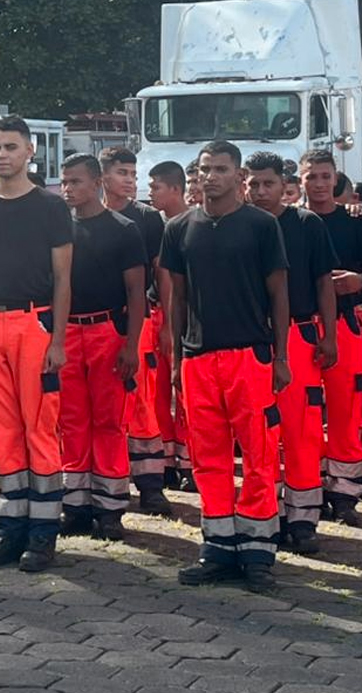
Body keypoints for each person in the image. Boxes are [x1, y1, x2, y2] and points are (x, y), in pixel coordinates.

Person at [163, 141, 289, 591]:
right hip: (199, 358)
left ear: (238, 176)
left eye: (220, 169)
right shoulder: (178, 229)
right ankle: (216, 548)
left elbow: (278, 293)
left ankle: (257, 553)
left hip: (249, 355)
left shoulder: (260, 226)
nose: (211, 176)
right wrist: (177, 358)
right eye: (204, 169)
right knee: (207, 457)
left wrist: (281, 356)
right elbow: (177, 297)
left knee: (258, 453)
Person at [0, 116, 72, 572]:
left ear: (30, 151)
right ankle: (9, 530)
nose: (2, 154)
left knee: (38, 430)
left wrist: (59, 339)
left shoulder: (51, 207)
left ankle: (43, 535)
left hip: (35, 324)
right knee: (2, 433)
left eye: (11, 146)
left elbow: (65, 278)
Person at [246, 152, 337, 554]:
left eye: (269, 183)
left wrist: (329, 335)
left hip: (300, 337)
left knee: (301, 431)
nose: (261, 191)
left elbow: (324, 283)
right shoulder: (238, 225)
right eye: (254, 184)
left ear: (284, 184)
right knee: (258, 435)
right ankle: (266, 514)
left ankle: (302, 519)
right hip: (251, 341)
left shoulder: (306, 224)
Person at [58, 153, 144, 539]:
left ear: (96, 183)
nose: (67, 189)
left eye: (75, 181)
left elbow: (136, 292)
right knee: (71, 420)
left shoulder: (124, 229)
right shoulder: (57, 229)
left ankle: (110, 508)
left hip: (107, 331)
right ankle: (75, 505)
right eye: (64, 182)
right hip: (68, 332)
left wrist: (131, 344)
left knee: (109, 420)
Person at [301, 150, 362, 524]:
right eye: (311, 176)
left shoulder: (354, 223)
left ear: (335, 179)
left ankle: (347, 493)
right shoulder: (287, 223)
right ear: (299, 180)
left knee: (345, 409)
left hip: (347, 323)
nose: (318, 184)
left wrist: (360, 282)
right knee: (302, 415)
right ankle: (309, 487)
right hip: (300, 327)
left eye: (324, 176)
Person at [100, 148, 171, 512]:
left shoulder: (146, 218)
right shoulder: (80, 216)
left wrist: (167, 325)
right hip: (94, 323)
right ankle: (105, 483)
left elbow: (162, 274)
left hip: (138, 319)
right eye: (122, 172)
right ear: (103, 177)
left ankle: (150, 484)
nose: (130, 180)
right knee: (102, 403)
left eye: (133, 172)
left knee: (141, 400)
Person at [144, 160, 190, 501]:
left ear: (175, 189)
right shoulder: (155, 224)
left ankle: (190, 461)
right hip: (159, 313)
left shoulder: (193, 223)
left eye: (156, 186)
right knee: (158, 392)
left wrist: (172, 326)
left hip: (186, 319)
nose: (150, 192)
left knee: (186, 394)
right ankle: (166, 459)